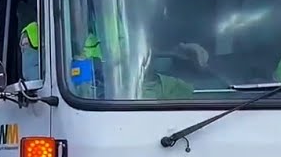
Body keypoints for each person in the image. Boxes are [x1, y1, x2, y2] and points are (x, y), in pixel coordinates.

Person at [18, 20, 200, 100]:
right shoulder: (36, 31)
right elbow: (35, 78)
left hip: (126, 102)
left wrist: (182, 55)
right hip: (81, 107)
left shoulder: (126, 24)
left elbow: (140, 65)